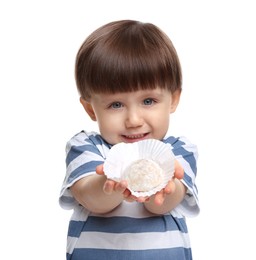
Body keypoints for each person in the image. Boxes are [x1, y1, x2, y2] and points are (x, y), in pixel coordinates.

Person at [59, 19, 199, 260]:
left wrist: (165, 187)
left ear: (173, 99)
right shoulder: (86, 147)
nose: (133, 119)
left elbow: (161, 204)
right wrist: (113, 184)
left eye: (148, 101)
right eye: (116, 105)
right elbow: (91, 198)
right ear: (92, 109)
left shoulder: (178, 150)